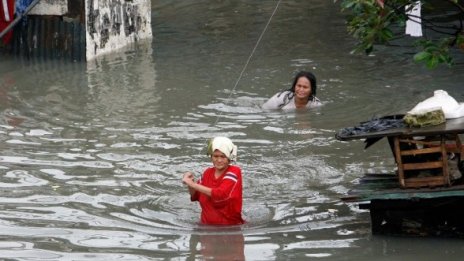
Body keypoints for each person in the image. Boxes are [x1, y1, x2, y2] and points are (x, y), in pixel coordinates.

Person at [182, 136, 245, 225]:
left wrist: (192, 184)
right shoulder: (207, 173)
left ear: (230, 157)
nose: (219, 160)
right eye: (215, 156)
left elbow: (220, 194)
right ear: (211, 156)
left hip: (231, 230)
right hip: (205, 228)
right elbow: (195, 196)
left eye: (223, 157)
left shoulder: (234, 172)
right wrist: (190, 182)